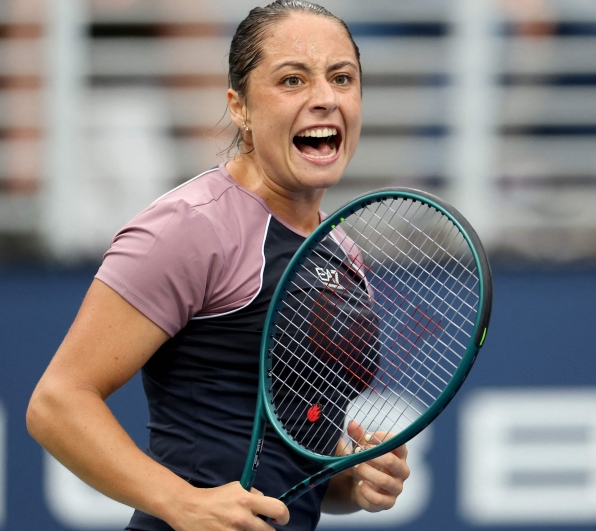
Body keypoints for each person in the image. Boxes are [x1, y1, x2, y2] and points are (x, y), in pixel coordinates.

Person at [26, 2, 410, 530]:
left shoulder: (340, 250)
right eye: (292, 80)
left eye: (341, 78)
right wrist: (181, 502)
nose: (324, 98)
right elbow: (57, 403)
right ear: (240, 107)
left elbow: (291, 452)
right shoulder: (190, 228)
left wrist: (351, 479)